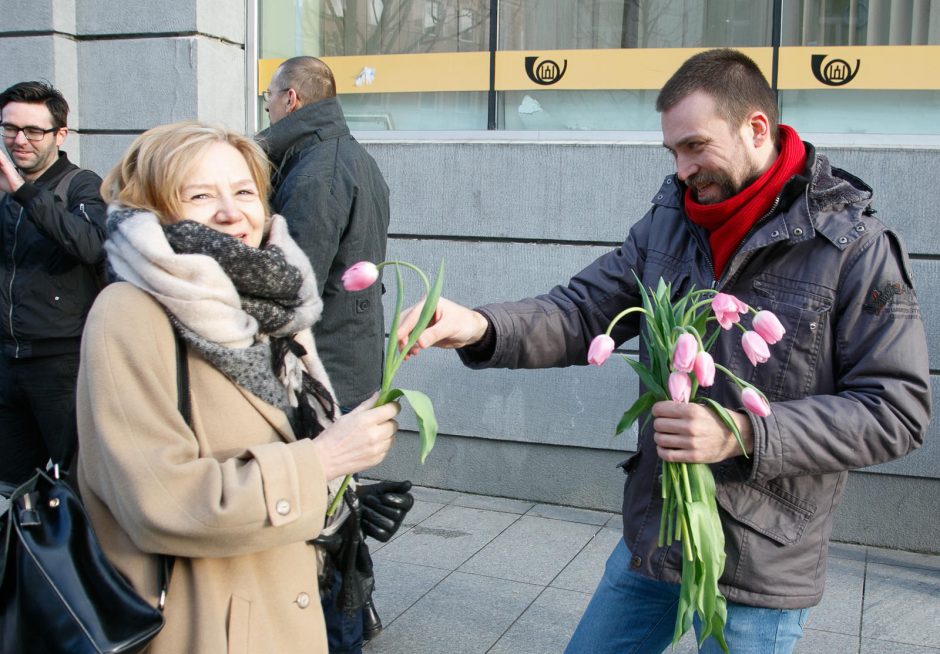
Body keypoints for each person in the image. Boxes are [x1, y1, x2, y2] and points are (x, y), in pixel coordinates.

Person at [396, 49, 931, 653]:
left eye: (696, 146)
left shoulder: (854, 247)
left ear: (757, 128)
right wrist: (478, 324)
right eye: (673, 151)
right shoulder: (670, 221)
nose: (682, 169)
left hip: (763, 558)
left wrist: (741, 432)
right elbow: (581, 311)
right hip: (657, 535)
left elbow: (896, 410)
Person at [75, 122, 401, 654]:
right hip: (203, 624)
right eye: (200, 195)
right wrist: (320, 463)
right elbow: (158, 501)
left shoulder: (272, 309)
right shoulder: (131, 311)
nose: (232, 212)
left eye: (244, 191)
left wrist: (346, 494)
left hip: (287, 603)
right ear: (154, 207)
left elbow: (277, 438)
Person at [257, 55, 410, 651]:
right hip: (348, 356)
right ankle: (356, 606)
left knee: (324, 503)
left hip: (324, 365)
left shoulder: (319, 169)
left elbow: (294, 284)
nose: (266, 108)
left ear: (292, 99)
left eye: (269, 98)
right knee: (334, 495)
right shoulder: (353, 160)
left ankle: (342, 614)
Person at [0, 80, 106, 484]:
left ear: (60, 135)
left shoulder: (79, 184)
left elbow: (93, 245)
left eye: (33, 131)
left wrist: (25, 192)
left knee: (75, 483)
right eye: (10, 128)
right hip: (6, 360)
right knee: (10, 487)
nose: (19, 140)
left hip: (62, 363)